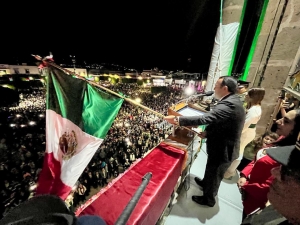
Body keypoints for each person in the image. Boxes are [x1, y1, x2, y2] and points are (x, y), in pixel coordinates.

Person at [164, 76, 245, 207]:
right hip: (219, 145)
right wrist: (208, 132)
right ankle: (206, 183)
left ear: (225, 88)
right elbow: (220, 122)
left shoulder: (229, 104)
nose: (213, 88)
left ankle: (209, 200)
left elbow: (207, 118)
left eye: (216, 86)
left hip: (224, 149)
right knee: (211, 169)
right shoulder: (231, 100)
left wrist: (178, 120)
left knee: (215, 175)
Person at [238, 109, 300, 218]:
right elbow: (258, 158)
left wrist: (247, 187)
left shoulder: (290, 156)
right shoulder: (281, 139)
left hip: (257, 200)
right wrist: (244, 174)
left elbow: (271, 185)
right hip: (248, 192)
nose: (278, 121)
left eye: (286, 121)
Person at [224, 88, 265, 179]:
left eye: (248, 95)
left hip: (246, 133)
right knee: (238, 151)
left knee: (238, 152)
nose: (246, 96)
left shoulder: (254, 110)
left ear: (252, 97)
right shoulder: (255, 107)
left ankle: (230, 171)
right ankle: (230, 170)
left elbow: (244, 125)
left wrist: (235, 133)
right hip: (248, 132)